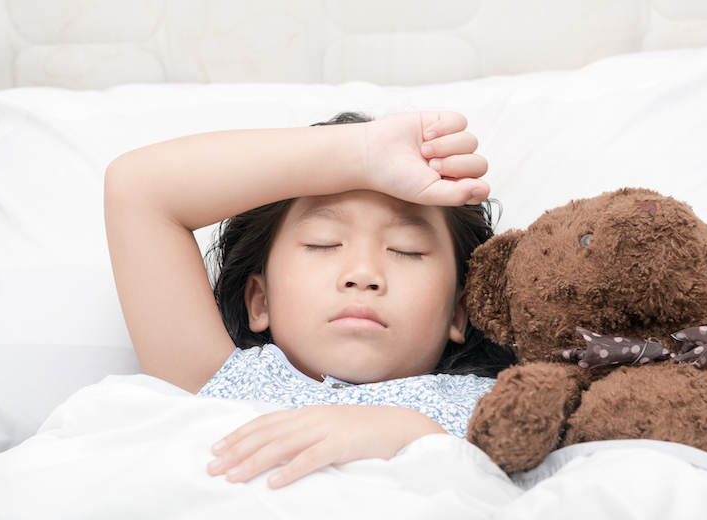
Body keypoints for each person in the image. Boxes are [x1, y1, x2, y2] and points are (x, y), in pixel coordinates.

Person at [104, 110, 516, 490]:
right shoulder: (220, 384)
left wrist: (412, 434)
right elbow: (137, 188)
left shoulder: (498, 407)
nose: (363, 273)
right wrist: (363, 153)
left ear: (459, 312)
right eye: (323, 243)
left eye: (406, 249)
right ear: (260, 302)